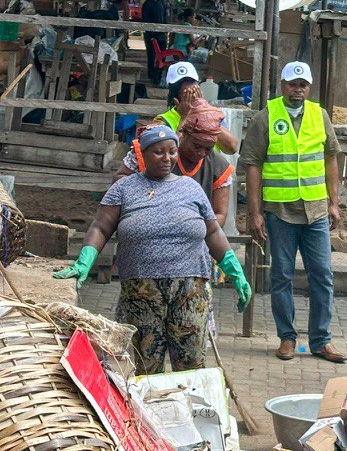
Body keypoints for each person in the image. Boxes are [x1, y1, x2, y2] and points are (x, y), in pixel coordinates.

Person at [53, 123, 252, 374]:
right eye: (158, 152)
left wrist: (234, 269)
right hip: (141, 291)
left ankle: (187, 411)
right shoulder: (124, 188)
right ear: (143, 155)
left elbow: (212, 231)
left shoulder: (189, 187)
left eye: (172, 151)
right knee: (147, 366)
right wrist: (84, 261)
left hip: (190, 289)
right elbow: (101, 227)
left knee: (191, 364)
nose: (167, 158)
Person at [240, 61, 344, 363]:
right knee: (281, 275)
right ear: (282, 85)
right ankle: (287, 338)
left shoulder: (320, 115)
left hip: (315, 211)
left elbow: (331, 160)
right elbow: (253, 166)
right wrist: (255, 212)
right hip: (280, 212)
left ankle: (320, 340)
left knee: (322, 275)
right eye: (292, 84)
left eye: (303, 85)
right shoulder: (266, 117)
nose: (297, 89)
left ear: (308, 88)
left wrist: (334, 201)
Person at [114, 99, 235, 226]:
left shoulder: (219, 167)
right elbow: (118, 182)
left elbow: (220, 214)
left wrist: (191, 228)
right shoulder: (152, 152)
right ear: (184, 133)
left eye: (208, 148)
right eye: (197, 146)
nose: (201, 153)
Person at [159, 62, 238, 154]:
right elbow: (172, 155)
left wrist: (205, 114)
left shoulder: (212, 113)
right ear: (174, 95)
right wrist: (184, 117)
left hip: (208, 167)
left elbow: (231, 148)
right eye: (186, 93)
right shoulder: (163, 120)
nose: (191, 94)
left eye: (193, 87)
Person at [141, 0, 168, 85]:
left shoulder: (160, 2)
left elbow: (164, 18)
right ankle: (154, 76)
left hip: (158, 34)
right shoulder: (149, 4)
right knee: (152, 56)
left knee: (158, 56)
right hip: (153, 34)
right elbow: (145, 20)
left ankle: (156, 76)